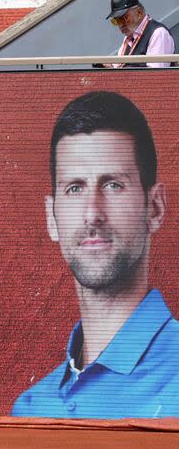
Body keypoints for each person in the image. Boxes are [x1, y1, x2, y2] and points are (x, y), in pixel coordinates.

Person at [12, 91, 179, 419]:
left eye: (114, 185)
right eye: (74, 188)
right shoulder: (30, 411)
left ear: (155, 207)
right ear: (52, 218)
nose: (92, 213)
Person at [105, 0, 175, 68]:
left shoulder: (158, 33)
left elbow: (155, 76)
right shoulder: (128, 38)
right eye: (116, 21)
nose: (120, 25)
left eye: (124, 18)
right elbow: (119, 67)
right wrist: (109, 67)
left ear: (139, 13)